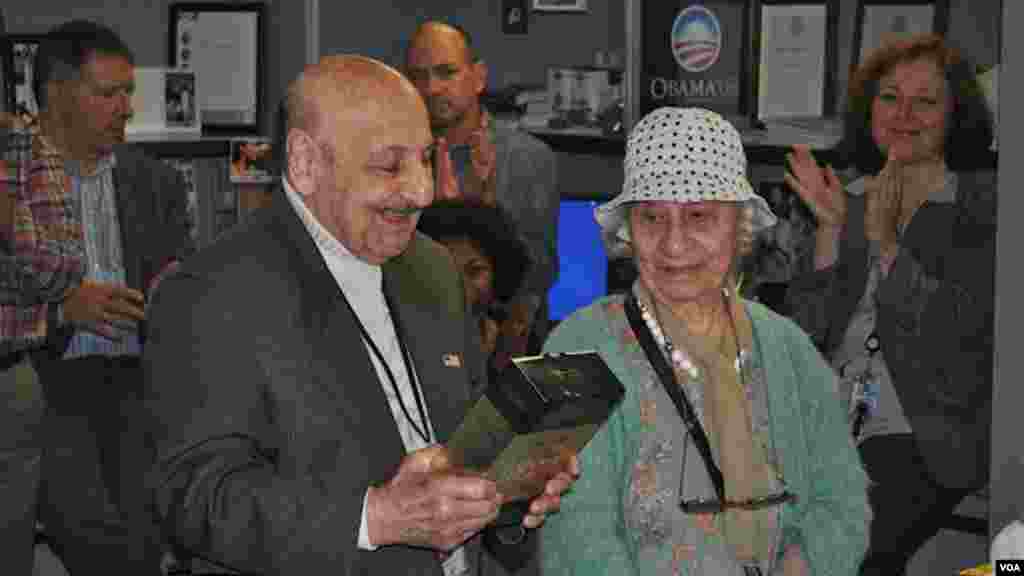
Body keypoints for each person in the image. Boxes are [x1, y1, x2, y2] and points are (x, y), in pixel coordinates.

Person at [143, 54, 576, 575]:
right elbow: (198, 497)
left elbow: (462, 446)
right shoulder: (210, 293)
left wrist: (512, 491)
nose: (421, 191)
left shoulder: (433, 268)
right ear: (305, 162)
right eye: (390, 165)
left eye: (424, 159)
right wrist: (374, 519)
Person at [540, 107, 870, 576]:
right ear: (628, 232)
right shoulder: (573, 349)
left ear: (741, 230)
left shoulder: (788, 348)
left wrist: (801, 566)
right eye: (652, 218)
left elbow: (843, 501)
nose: (674, 245)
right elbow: (574, 535)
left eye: (699, 216)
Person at [784, 34, 995, 576]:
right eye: (889, 98)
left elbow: (960, 348)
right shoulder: (842, 198)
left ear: (955, 115)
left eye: (925, 101)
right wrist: (830, 233)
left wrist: (885, 245)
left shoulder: (982, 211)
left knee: (847, 549)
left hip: (923, 433)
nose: (904, 115)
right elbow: (801, 340)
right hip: (827, 423)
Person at [0, 20, 192, 575]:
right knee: (105, 540)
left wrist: (171, 295)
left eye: (128, 93)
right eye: (107, 94)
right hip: (45, 381)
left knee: (155, 526)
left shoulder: (155, 182)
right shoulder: (13, 180)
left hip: (140, 381)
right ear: (56, 92)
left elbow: (178, 270)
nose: (125, 108)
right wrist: (62, 310)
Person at [404, 21, 558, 359]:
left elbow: (536, 278)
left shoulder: (528, 159)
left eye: (446, 73)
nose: (431, 88)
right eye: (418, 76)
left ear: (478, 77)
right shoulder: (394, 160)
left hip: (505, 358)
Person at [416, 198, 530, 373]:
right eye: (444, 269)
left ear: (499, 275)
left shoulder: (508, 337)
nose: (461, 284)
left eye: (475, 271)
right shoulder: (408, 338)